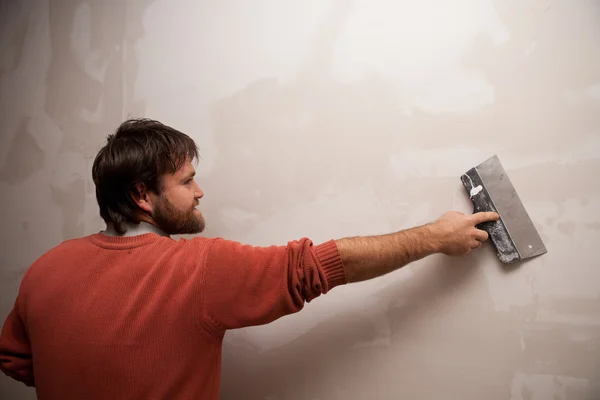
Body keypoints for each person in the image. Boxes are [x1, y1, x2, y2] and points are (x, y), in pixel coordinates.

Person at [0, 118, 499, 399]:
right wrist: (435, 236)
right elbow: (316, 266)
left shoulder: (46, 268)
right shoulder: (194, 269)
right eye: (186, 180)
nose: (200, 192)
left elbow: (16, 358)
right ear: (142, 196)